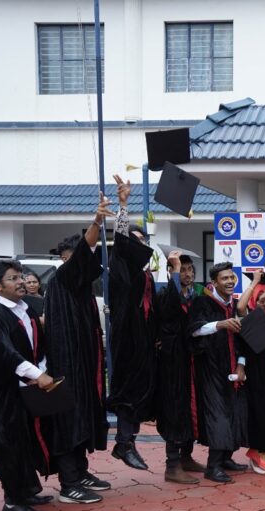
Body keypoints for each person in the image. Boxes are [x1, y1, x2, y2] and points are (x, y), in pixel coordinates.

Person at [0, 260, 57, 511]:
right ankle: (12, 501)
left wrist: (40, 368)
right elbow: (4, 353)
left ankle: (27, 490)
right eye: (13, 278)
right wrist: (37, 374)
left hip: (23, 388)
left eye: (21, 277)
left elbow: (38, 345)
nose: (21, 282)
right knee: (6, 444)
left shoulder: (26, 310)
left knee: (24, 439)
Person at [44, 195, 112, 504]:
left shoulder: (79, 283)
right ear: (69, 257)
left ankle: (81, 472)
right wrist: (97, 221)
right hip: (66, 366)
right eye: (85, 257)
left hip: (83, 363)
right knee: (69, 421)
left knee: (84, 417)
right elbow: (87, 250)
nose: (92, 264)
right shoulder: (65, 276)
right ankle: (69, 483)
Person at [106, 175, 156, 471]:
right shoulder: (120, 270)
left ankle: (127, 441)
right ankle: (124, 443)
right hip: (126, 337)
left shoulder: (142, 274)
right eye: (138, 242)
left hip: (144, 339)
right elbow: (121, 243)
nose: (141, 246)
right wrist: (124, 206)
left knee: (141, 391)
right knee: (127, 390)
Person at [188, 262, 249, 483]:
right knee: (218, 416)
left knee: (234, 414)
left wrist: (241, 364)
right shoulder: (202, 302)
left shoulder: (233, 305)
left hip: (231, 369)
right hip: (210, 369)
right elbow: (194, 330)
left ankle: (225, 458)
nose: (230, 281)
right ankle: (212, 466)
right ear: (214, 282)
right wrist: (220, 324)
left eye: (232, 277)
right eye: (225, 278)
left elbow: (241, 340)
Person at [155, 252, 207, 484]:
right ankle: (172, 466)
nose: (186, 274)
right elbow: (169, 312)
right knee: (175, 409)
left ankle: (186, 456)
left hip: (191, 360)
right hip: (172, 362)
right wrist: (173, 269)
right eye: (181, 270)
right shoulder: (166, 294)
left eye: (189, 270)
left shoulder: (196, 296)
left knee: (190, 407)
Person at [235, 270, 265, 475]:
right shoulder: (250, 318)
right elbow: (240, 307)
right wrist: (255, 281)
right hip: (257, 370)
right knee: (262, 412)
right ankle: (259, 454)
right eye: (261, 297)